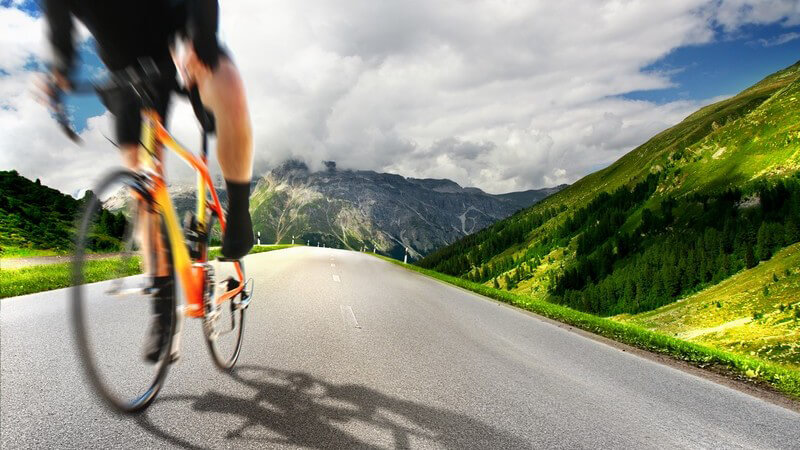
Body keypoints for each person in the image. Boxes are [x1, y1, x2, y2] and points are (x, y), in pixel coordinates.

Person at [41, 0, 254, 361]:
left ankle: (240, 213)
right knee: (144, 191)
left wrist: (201, 42)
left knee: (226, 84)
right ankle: (163, 311)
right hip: (126, 73)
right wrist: (59, 73)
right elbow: (58, 22)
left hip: (181, 33)